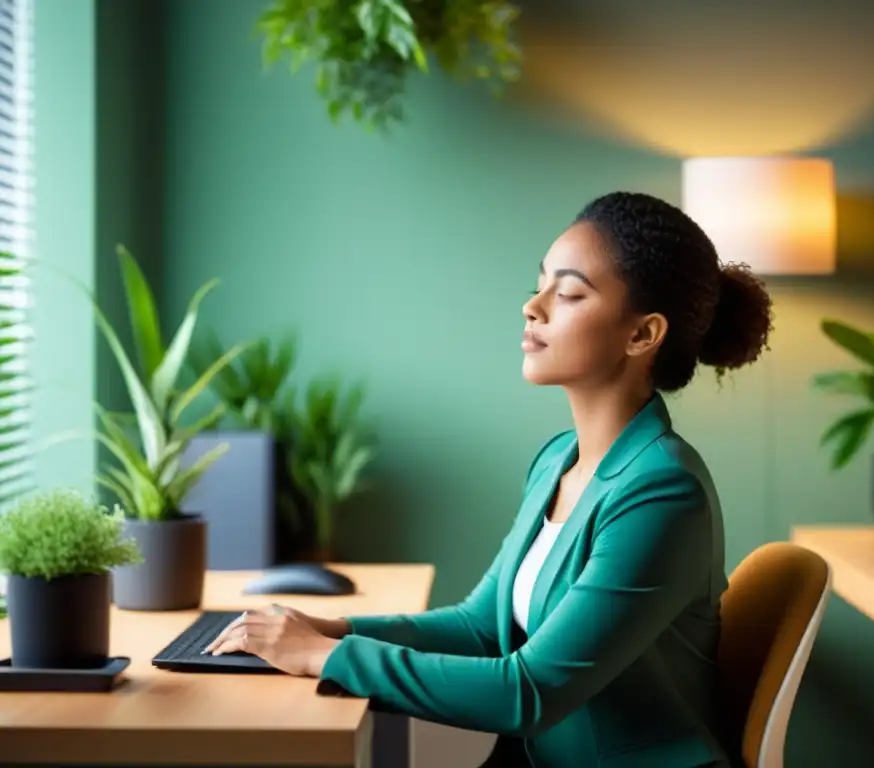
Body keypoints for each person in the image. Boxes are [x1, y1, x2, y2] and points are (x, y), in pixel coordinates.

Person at [206, 191, 773, 768]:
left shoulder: (661, 493)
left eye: (570, 293)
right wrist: (331, 628)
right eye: (540, 284)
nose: (534, 306)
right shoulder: (558, 461)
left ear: (642, 335)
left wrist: (328, 658)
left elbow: (528, 692)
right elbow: (481, 626)